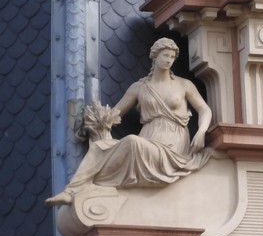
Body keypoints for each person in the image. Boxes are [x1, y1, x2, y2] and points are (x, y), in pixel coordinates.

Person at [46, 38, 212, 207]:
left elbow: (205, 110)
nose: (169, 60)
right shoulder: (139, 87)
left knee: (132, 141)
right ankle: (72, 191)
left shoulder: (184, 85)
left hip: (173, 145)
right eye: (165, 55)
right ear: (155, 57)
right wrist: (93, 119)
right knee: (98, 147)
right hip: (149, 138)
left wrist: (201, 132)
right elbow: (113, 115)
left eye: (172, 57)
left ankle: (95, 182)